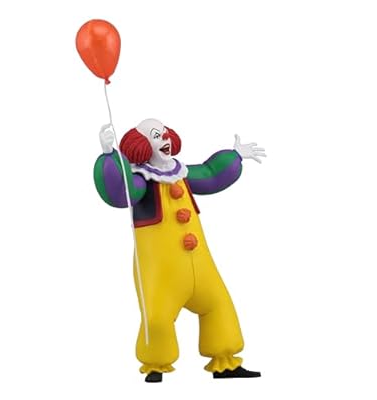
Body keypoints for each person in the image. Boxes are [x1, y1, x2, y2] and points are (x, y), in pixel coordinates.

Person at [93, 118, 266, 382]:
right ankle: (155, 365)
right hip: (162, 274)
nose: (164, 139)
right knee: (157, 318)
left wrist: (235, 156)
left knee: (219, 306)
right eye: (156, 136)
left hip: (202, 268)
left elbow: (210, 174)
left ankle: (225, 361)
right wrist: (109, 157)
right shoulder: (142, 181)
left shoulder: (180, 173)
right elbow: (120, 193)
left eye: (165, 133)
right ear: (143, 145)